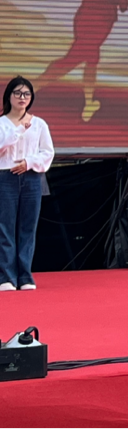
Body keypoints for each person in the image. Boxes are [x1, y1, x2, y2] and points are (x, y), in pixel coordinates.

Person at [37, 0, 128, 122]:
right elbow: (124, 6)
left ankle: (89, 102)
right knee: (75, 58)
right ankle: (30, 89)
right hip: (101, 22)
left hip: (83, 18)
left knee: (91, 58)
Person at [0, 77, 56, 292]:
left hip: (31, 177)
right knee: (5, 227)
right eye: (17, 93)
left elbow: (47, 153)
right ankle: (6, 276)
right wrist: (19, 130)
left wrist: (29, 163)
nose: (22, 97)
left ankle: (25, 275)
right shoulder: (2, 123)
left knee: (28, 227)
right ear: (9, 96)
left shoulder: (39, 124)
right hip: (5, 176)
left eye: (26, 94)